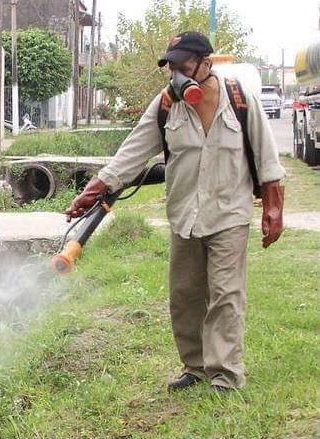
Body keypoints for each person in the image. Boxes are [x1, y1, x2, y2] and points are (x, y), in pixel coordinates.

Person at [65, 31, 285, 392]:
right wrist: (94, 190)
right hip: (184, 214)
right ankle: (195, 367)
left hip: (229, 213)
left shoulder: (239, 99)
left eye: (184, 67)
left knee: (226, 295)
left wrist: (273, 210)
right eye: (172, 69)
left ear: (206, 64)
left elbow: (266, 157)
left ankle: (225, 375)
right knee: (185, 296)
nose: (177, 76)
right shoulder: (168, 103)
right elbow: (132, 152)